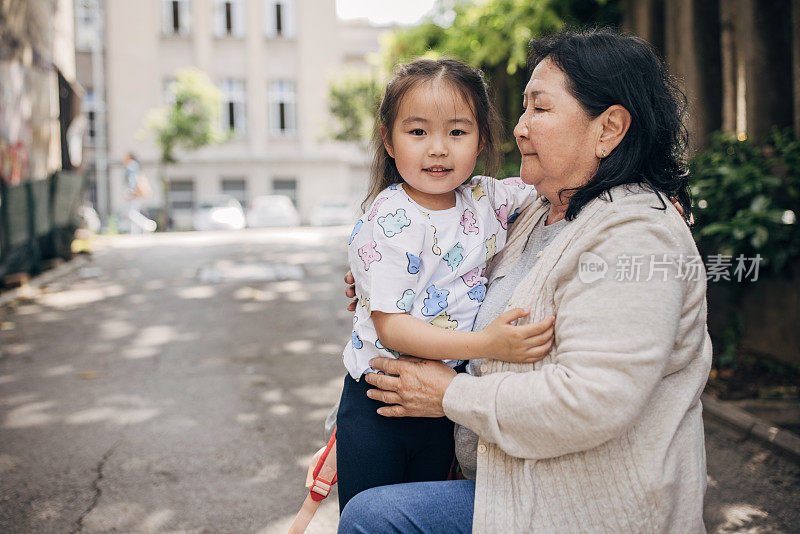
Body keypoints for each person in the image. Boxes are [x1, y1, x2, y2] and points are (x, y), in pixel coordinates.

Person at [338, 29, 712, 533]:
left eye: (539, 109)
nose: (518, 128)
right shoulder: (539, 209)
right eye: (521, 109)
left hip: (578, 505)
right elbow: (449, 258)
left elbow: (590, 400)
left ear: (608, 129)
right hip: (510, 480)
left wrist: (452, 395)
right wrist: (389, 285)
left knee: (372, 518)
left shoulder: (637, 237)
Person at [335, 59, 556, 512]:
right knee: (370, 518)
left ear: (480, 140)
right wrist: (488, 344)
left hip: (442, 404)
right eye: (418, 133)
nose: (438, 149)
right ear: (388, 140)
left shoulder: (486, 198)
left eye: (457, 132)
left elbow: (560, 189)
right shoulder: (390, 218)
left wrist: (645, 188)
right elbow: (392, 328)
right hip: (380, 401)